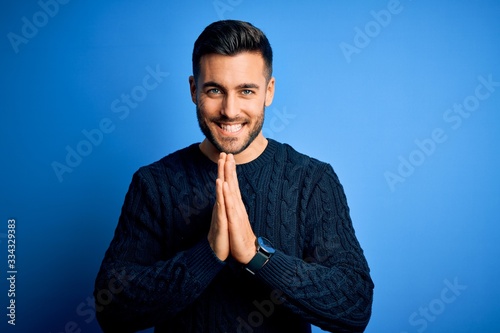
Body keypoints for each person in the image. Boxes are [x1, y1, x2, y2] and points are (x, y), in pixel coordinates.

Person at [94, 20, 374, 333]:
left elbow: (354, 304)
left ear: (268, 91)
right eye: (215, 90)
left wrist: (256, 256)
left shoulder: (312, 181)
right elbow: (111, 308)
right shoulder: (154, 184)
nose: (230, 110)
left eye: (246, 91)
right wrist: (207, 254)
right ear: (193, 90)